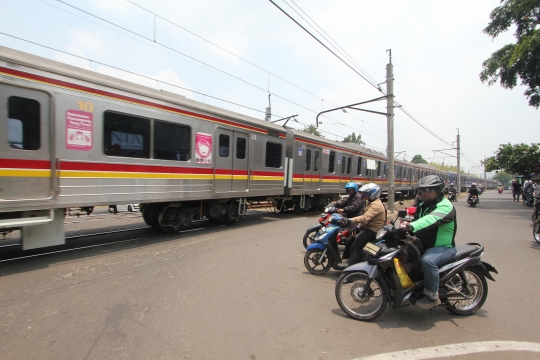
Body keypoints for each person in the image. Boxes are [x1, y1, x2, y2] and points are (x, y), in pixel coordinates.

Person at [387, 175, 457, 309]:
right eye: (423, 190)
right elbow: (416, 219)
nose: (426, 193)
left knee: (427, 261)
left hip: (443, 248)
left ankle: (432, 295)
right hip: (424, 244)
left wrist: (410, 228)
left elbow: (429, 220)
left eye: (430, 190)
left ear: (439, 191)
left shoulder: (445, 206)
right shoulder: (423, 205)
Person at [344, 183, 387, 266]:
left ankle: (350, 273)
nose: (363, 195)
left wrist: (350, 220)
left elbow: (365, 217)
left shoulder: (376, 205)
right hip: (366, 228)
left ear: (372, 194)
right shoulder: (370, 202)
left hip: (372, 231)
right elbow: (365, 219)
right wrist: (357, 226)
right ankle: (349, 261)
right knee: (349, 240)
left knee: (355, 248)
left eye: (365, 194)